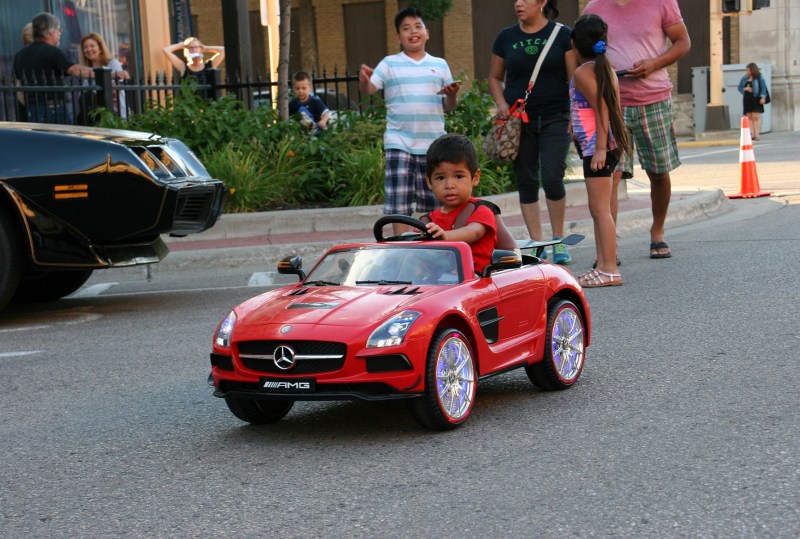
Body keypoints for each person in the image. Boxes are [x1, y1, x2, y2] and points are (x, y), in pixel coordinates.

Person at [583, 0, 690, 260]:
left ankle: (657, 231)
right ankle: (610, 247)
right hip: (612, 104)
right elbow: (582, 51)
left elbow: (683, 42)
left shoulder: (662, 3)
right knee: (611, 177)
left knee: (658, 172)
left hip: (653, 100)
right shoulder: (594, 7)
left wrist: (654, 64)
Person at [488, 0, 578, 265]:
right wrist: (501, 103)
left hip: (556, 116)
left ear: (542, 3)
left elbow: (574, 79)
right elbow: (495, 77)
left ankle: (558, 240)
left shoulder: (562, 35)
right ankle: (538, 243)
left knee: (552, 177)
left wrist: (576, 113)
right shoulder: (506, 37)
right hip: (518, 121)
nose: (519, 3)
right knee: (526, 180)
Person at [358, 7, 460, 236]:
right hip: (399, 142)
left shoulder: (440, 64)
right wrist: (364, 81)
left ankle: (431, 247)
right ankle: (399, 246)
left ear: (427, 32)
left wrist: (452, 94)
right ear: (398, 37)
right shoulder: (390, 63)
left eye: (417, 27)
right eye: (406, 28)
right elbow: (369, 89)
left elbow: (448, 105)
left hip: (433, 145)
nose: (412, 32)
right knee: (399, 202)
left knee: (433, 201)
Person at [569, 14, 632, 287]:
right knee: (601, 210)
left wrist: (599, 149)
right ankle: (603, 264)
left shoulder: (584, 72)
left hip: (600, 148)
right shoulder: (603, 68)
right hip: (605, 146)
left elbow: (602, 109)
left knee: (600, 210)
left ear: (574, 44)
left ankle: (609, 270)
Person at [423, 134, 497, 274]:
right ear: (429, 181)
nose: (449, 185)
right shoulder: (428, 221)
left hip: (475, 280)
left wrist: (445, 236)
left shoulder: (481, 211)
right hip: (436, 283)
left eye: (458, 176)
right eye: (440, 178)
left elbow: (473, 232)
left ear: (475, 178)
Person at [13, 12, 95, 124]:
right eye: (58, 29)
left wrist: (31, 107)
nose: (60, 32)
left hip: (33, 111)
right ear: (50, 32)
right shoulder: (52, 51)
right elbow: (73, 70)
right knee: (65, 141)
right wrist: (106, 74)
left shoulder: (20, 55)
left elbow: (19, 91)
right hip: (54, 110)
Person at [79, 32, 129, 123]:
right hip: (94, 118)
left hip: (115, 116)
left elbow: (116, 88)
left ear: (101, 48)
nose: (88, 49)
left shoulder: (113, 64)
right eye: (85, 47)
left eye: (92, 46)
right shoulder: (87, 70)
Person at [738, 63, 767, 141]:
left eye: (749, 70)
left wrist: (763, 97)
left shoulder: (759, 77)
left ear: (753, 70)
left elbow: (763, 88)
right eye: (747, 70)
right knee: (749, 117)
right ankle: (751, 134)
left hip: (756, 98)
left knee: (756, 117)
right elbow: (740, 87)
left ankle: (757, 134)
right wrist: (745, 89)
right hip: (747, 98)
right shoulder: (744, 78)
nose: (747, 72)